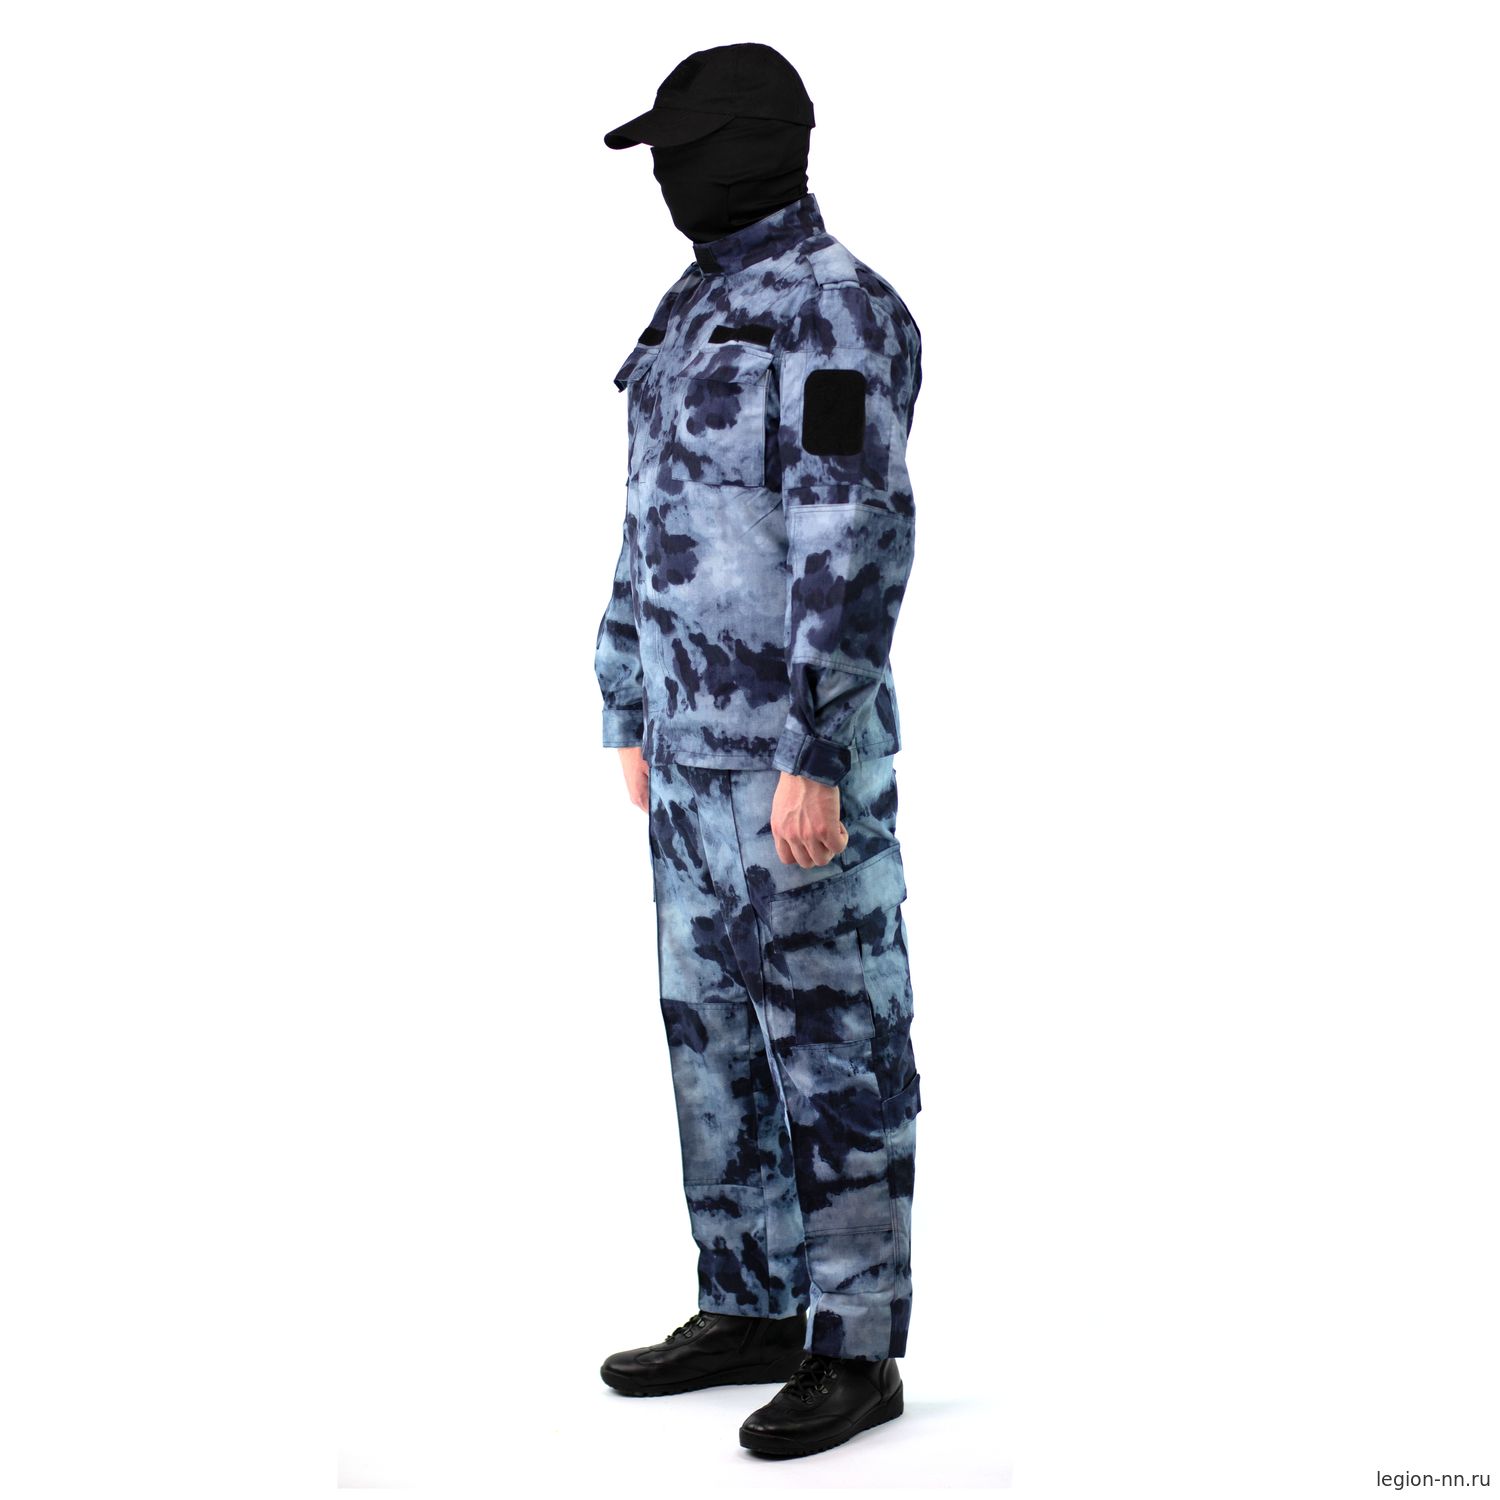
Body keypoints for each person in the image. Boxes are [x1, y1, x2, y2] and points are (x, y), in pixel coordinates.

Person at [593, 42, 924, 1459]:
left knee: (837, 1045)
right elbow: (646, 516)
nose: (668, 178)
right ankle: (749, 1300)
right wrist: (625, 694)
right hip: (686, 756)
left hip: (792, 764)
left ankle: (854, 1344)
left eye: (681, 150)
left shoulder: (835, 310)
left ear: (745, 147)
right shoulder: (693, 306)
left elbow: (857, 538)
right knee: (711, 1040)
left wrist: (816, 748)